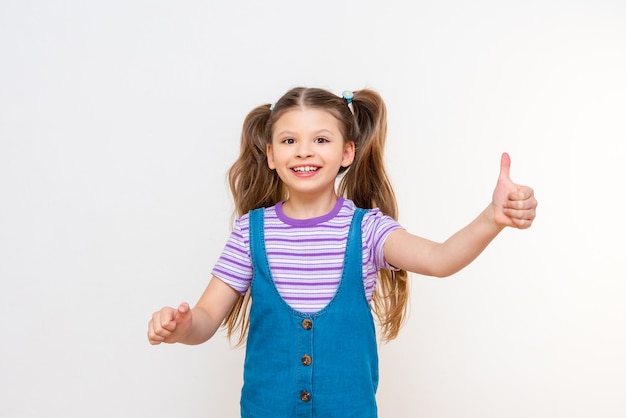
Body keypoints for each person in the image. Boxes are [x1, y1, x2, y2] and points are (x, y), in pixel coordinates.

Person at [147, 87, 537, 417]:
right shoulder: (251, 231)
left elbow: (439, 259)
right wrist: (182, 328)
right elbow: (207, 317)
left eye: (320, 139)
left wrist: (493, 217)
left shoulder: (367, 230)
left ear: (347, 152)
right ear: (270, 155)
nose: (304, 151)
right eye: (288, 141)